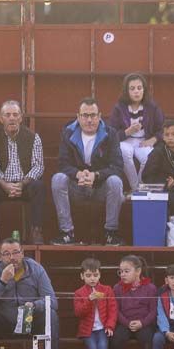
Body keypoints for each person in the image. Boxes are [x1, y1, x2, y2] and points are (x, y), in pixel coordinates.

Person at [51, 97, 125, 246]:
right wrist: (78, 174)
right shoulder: (68, 132)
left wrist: (96, 175)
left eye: (93, 115)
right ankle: (67, 233)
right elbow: (62, 164)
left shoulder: (110, 134)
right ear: (78, 117)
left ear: (99, 116)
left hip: (100, 189)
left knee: (115, 181)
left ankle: (110, 233)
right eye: (85, 115)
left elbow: (117, 166)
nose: (89, 120)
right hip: (77, 187)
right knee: (58, 179)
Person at [0, 100, 46, 246]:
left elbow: (38, 166)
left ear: (20, 118)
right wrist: (5, 185)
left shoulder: (33, 137)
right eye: (8, 115)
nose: (12, 118)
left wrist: (21, 184)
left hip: (25, 184)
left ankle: (36, 230)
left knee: (39, 187)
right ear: (1, 118)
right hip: (2, 185)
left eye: (15, 114)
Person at [109, 73, 163, 189]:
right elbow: (111, 134)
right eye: (132, 89)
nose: (136, 92)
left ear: (144, 90)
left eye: (139, 88)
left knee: (148, 157)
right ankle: (135, 187)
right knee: (124, 152)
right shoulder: (119, 107)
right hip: (125, 141)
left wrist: (153, 139)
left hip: (143, 141)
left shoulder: (152, 107)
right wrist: (127, 132)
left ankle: (140, 186)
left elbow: (162, 128)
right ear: (126, 91)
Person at [110, 255, 157, 349]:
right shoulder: (117, 288)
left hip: (144, 323)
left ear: (138, 271)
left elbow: (153, 311)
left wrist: (142, 323)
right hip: (125, 323)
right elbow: (116, 310)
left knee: (148, 342)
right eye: (120, 272)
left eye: (126, 271)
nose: (123, 275)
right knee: (115, 340)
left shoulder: (150, 288)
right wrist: (127, 323)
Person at [72, 257, 117, 349]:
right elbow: (78, 312)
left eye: (95, 275)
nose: (92, 278)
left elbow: (113, 310)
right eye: (88, 275)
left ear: (100, 275)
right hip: (88, 330)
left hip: (102, 328)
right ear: (82, 276)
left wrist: (110, 326)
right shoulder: (79, 293)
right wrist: (89, 300)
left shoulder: (107, 290)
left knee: (102, 346)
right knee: (92, 348)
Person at [141, 119, 174, 197]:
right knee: (173, 200)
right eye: (167, 135)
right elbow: (147, 176)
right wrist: (165, 184)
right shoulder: (157, 153)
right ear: (163, 137)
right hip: (166, 191)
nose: (170, 138)